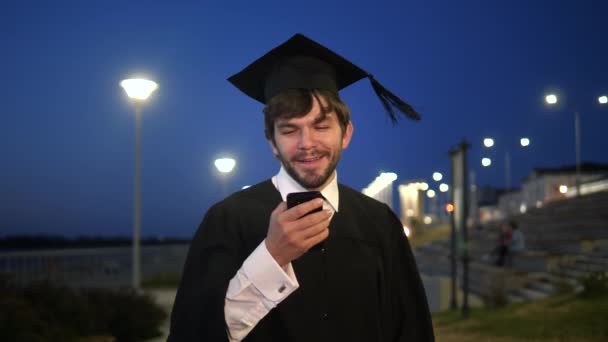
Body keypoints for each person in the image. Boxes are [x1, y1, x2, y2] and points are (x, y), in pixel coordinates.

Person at [168, 33, 434, 342]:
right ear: (272, 143)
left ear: (346, 134)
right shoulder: (228, 220)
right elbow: (192, 332)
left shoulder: (379, 222)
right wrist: (271, 257)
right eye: (290, 130)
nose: (307, 144)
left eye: (321, 126)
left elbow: (411, 329)